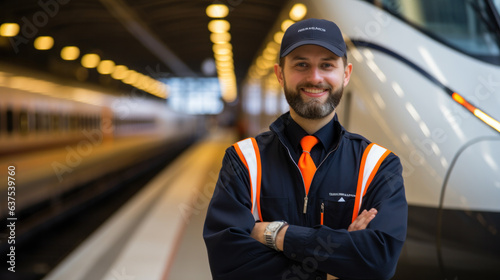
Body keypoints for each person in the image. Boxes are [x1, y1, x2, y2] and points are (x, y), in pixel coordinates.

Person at [203, 18, 407, 280]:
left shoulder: (379, 165)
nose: (314, 77)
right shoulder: (243, 160)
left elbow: (380, 262)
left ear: (346, 74)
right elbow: (227, 265)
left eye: (327, 65)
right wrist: (339, 264)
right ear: (280, 74)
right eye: (301, 65)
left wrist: (274, 234)